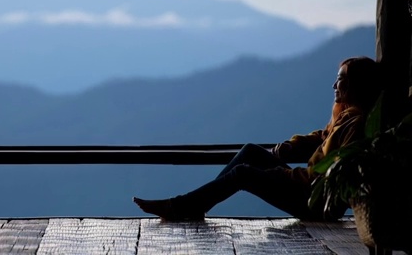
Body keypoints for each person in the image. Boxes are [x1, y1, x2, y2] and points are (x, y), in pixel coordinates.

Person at [133, 56, 383, 222]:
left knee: (244, 173)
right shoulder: (346, 118)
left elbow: (325, 177)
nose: (333, 87)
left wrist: (279, 174)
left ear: (354, 86)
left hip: (317, 203)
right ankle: (194, 206)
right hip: (309, 191)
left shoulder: (356, 124)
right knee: (251, 151)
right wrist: (286, 149)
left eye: (340, 81)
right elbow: (322, 137)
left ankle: (181, 208)